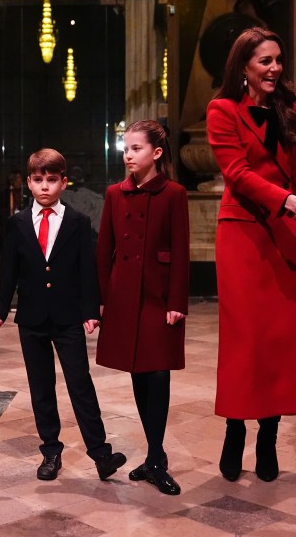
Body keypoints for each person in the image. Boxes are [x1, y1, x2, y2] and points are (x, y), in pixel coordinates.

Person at [206, 27, 296, 483]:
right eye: (265, 61)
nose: (275, 68)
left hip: (288, 231)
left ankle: (269, 437)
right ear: (244, 67)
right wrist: (291, 204)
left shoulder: (287, 109)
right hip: (243, 235)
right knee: (245, 340)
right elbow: (235, 173)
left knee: (279, 340)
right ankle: (236, 428)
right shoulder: (222, 110)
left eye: (278, 60)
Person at [0, 148, 127, 483]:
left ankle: (100, 454)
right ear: (29, 183)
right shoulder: (18, 223)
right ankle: (50, 452)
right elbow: (9, 271)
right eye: (39, 180)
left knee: (80, 383)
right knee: (41, 386)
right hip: (32, 319)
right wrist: (0, 310)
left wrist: (90, 311)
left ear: (64, 182)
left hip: (67, 318)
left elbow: (87, 270)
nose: (45, 187)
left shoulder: (77, 222)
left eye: (52, 180)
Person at [96, 120, 190, 495]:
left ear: (156, 152)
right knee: (137, 370)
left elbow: (181, 253)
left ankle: (156, 456)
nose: (128, 154)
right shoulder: (114, 194)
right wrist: (102, 299)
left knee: (158, 373)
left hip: (158, 296)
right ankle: (154, 456)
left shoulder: (174, 193)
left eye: (136, 148)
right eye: (126, 148)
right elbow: (104, 251)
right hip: (123, 296)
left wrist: (177, 302)